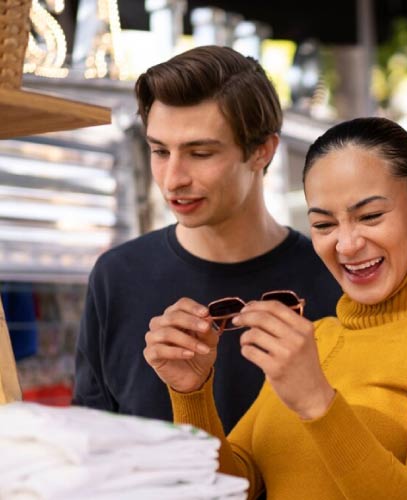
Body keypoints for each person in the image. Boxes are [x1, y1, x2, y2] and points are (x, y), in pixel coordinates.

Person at [143, 117, 407, 498]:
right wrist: (191, 392)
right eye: (323, 224)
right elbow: (231, 488)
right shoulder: (314, 337)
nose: (346, 245)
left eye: (370, 216)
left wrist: (317, 402)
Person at [72, 46, 341, 434]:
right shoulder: (117, 276)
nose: (173, 178)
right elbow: (90, 437)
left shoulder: (333, 278)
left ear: (262, 151)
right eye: (160, 151)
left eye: (199, 153)